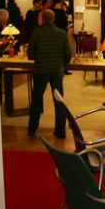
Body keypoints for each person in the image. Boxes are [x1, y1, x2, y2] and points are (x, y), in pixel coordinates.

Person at [27, 9, 72, 139]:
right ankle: (60, 130)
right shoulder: (62, 34)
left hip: (41, 70)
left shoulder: (36, 34)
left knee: (36, 100)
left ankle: (32, 129)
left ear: (42, 19)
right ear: (53, 19)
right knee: (59, 101)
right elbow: (68, 53)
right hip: (57, 70)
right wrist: (64, 66)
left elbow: (31, 55)